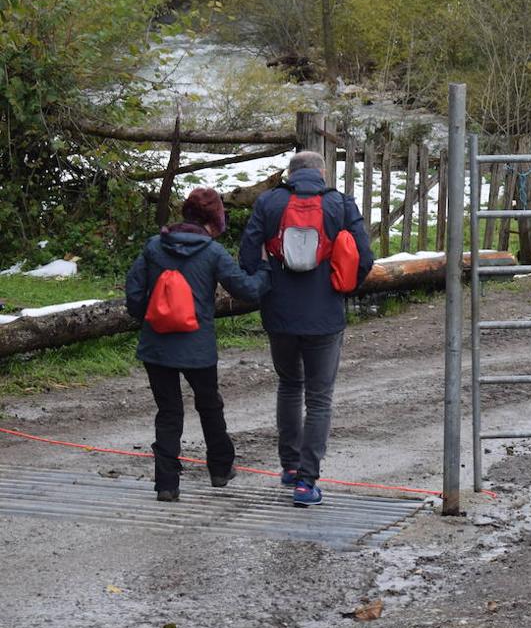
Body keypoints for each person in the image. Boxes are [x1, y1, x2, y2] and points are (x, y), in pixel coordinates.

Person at [239, 151, 374, 507]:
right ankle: (306, 482)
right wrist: (343, 286)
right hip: (325, 315)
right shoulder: (340, 204)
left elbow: (247, 258)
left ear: (290, 173)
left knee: (288, 385)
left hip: (279, 313)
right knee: (319, 398)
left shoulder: (268, 202)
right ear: (322, 173)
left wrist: (269, 282)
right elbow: (366, 257)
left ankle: (289, 466)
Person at [126, 187, 271, 502]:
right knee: (209, 405)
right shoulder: (213, 253)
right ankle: (220, 469)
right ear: (214, 219)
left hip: (156, 345)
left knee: (168, 412)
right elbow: (247, 290)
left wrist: (149, 320)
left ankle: (167, 484)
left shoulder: (154, 246)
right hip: (198, 347)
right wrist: (265, 270)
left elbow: (134, 294)